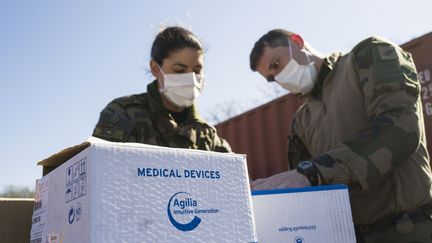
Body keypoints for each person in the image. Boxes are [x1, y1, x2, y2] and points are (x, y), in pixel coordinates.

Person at [249, 29, 432, 242]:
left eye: (276, 64)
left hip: (409, 230)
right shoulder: (301, 122)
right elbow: (304, 194)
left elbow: (401, 130)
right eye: (272, 78)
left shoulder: (367, 57)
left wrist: (315, 172)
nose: (280, 78)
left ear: (297, 42)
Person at [92, 26, 231, 153]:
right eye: (179, 70)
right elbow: (101, 170)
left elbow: (236, 176)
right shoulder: (124, 114)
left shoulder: (206, 134)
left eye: (197, 70)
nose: (191, 79)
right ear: (155, 69)